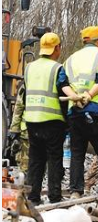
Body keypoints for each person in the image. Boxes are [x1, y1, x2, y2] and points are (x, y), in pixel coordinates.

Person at [63, 25, 98, 199]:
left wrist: (75, 97)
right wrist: (89, 95)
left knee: (77, 152)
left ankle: (75, 191)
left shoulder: (70, 59)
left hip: (75, 112)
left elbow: (62, 83)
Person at [19, 33, 70, 204]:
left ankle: (33, 197)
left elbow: (25, 94)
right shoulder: (58, 68)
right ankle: (55, 197)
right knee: (54, 158)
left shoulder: (29, 67)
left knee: (36, 158)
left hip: (32, 120)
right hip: (53, 121)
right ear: (57, 48)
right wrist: (67, 121)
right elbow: (64, 96)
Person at [8, 81, 29, 175]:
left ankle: (27, 184)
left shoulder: (29, 80)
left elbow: (19, 107)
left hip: (27, 130)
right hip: (49, 129)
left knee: (25, 165)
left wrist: (14, 129)